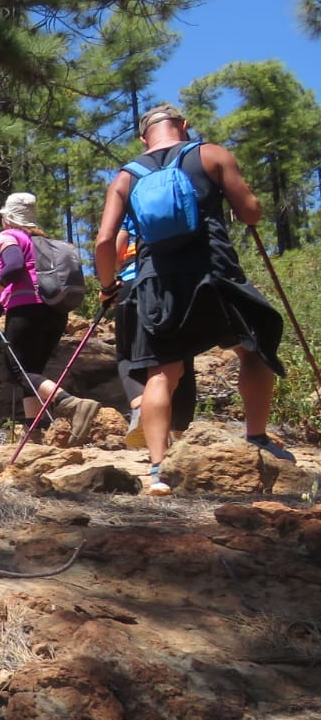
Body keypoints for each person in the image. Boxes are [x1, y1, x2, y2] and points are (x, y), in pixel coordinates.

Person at [96, 103, 290, 496]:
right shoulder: (210, 154)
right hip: (214, 274)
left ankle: (157, 471)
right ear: (183, 126)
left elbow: (104, 242)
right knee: (253, 349)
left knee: (161, 373)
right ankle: (256, 437)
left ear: (142, 137)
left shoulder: (126, 177)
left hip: (155, 281)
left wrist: (107, 285)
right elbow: (251, 212)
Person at [0, 191, 101, 444]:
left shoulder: (8, 236)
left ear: (8, 218)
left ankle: (69, 403)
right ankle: (35, 434)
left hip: (27, 309)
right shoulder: (42, 242)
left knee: (17, 370)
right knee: (32, 373)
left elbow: (13, 267)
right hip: (55, 312)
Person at [113, 227, 197, 449]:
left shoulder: (132, 199)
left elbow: (113, 244)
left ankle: (141, 406)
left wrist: (109, 280)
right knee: (181, 357)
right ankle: (179, 432)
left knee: (126, 354)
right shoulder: (188, 192)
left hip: (133, 281)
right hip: (177, 283)